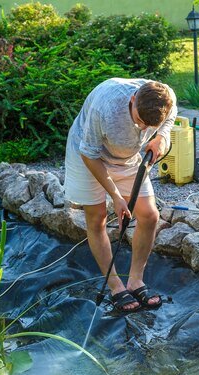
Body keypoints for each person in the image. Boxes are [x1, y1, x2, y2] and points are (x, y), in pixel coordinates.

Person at [64, 78, 177, 313]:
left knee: (149, 216)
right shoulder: (105, 107)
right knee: (97, 219)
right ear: (133, 99)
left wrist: (161, 138)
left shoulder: (164, 96)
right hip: (88, 156)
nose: (144, 129)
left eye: (150, 126)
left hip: (128, 158)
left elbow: (172, 111)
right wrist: (115, 196)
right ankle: (115, 286)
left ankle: (135, 281)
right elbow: (89, 154)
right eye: (140, 121)